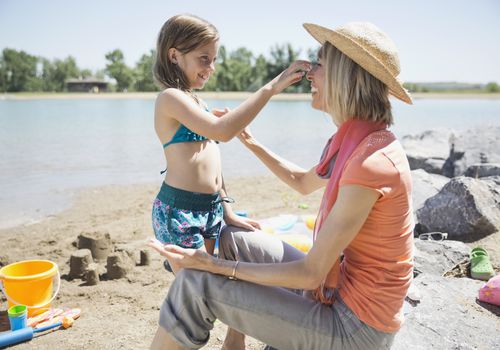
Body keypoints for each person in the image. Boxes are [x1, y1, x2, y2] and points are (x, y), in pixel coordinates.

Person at [148, 21, 414, 350]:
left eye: (319, 64)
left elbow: (311, 273)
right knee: (231, 239)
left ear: (345, 75)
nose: (310, 74)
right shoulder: (357, 140)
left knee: (195, 283)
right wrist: (253, 143)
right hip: (339, 288)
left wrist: (215, 266)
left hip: (354, 328)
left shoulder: (371, 161)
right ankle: (234, 343)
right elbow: (302, 182)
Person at [151, 14, 309, 258]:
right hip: (180, 210)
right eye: (204, 59)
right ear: (173, 56)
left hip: (211, 208)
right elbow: (222, 132)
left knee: (207, 280)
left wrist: (227, 211)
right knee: (197, 282)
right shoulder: (169, 98)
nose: (211, 68)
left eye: (214, 60)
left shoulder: (196, 101)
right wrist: (271, 88)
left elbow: (212, 163)